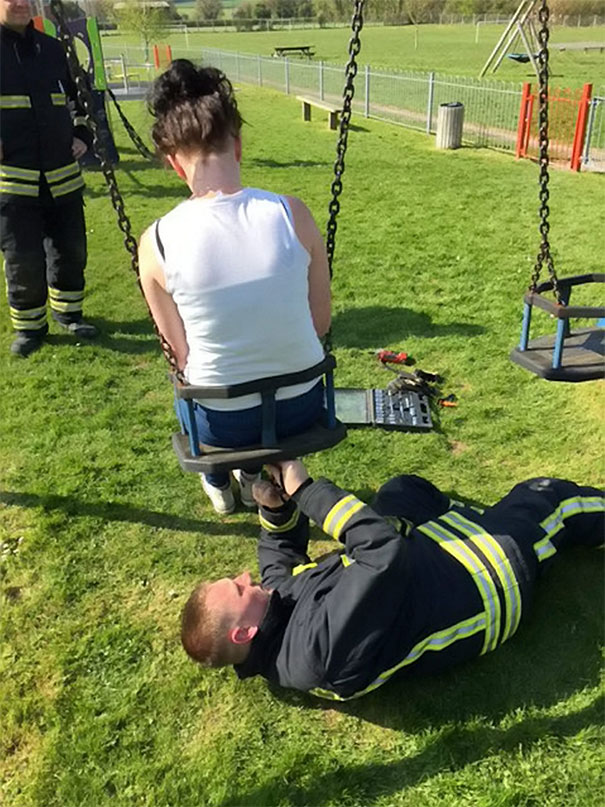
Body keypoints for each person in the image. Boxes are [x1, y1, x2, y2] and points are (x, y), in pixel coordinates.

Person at [181, 458, 604, 700]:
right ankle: (506, 521)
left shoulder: (273, 621)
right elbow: (381, 551)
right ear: (244, 633)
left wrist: (276, 508)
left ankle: (483, 519)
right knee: (547, 497)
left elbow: (279, 564)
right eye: (238, 589)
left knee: (403, 490)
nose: (244, 577)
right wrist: (305, 489)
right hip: (484, 579)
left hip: (424, 564)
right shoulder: (313, 654)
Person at [138, 60, 331, 516]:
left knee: (192, 381)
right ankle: (251, 475)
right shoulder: (293, 214)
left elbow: (178, 354)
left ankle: (218, 480)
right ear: (239, 146)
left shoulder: (156, 241)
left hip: (221, 423)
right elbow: (319, 322)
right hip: (303, 406)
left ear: (173, 164)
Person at [0, 0, 97, 359]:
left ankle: (69, 313)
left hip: (63, 177)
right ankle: (30, 327)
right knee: (22, 258)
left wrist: (81, 136)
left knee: (70, 250)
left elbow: (81, 104)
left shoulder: (54, 50)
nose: (21, 3)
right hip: (13, 179)